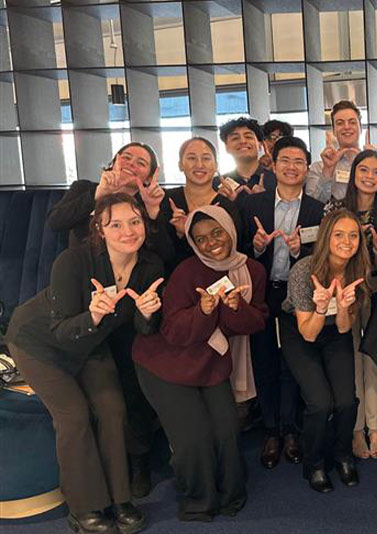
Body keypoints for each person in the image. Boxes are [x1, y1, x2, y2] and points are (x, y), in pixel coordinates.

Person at [6, 193, 164, 534]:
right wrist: (92, 316)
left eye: (134, 222)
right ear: (100, 229)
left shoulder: (150, 266)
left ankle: (119, 498)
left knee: (112, 408)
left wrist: (148, 315)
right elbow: (60, 329)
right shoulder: (73, 261)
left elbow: (141, 327)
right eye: (116, 225)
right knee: (74, 415)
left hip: (91, 346)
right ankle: (84, 507)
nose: (127, 231)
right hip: (40, 343)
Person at [46, 142, 171, 497]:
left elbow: (162, 259)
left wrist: (151, 212)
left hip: (131, 305)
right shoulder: (86, 190)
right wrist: (98, 197)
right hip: (83, 301)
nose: (132, 164)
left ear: (151, 173)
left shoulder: (152, 205)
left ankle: (139, 461)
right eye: (126, 157)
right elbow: (55, 223)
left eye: (141, 162)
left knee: (131, 384)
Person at [133, 206, 267, 521]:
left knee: (227, 431)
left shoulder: (253, 271)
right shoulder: (187, 271)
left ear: (230, 230)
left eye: (217, 232)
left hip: (211, 363)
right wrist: (204, 312)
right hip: (166, 363)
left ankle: (231, 494)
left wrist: (234, 307)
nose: (211, 243)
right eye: (201, 239)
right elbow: (172, 331)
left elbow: (255, 322)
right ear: (193, 243)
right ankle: (199, 501)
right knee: (193, 438)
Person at [238, 136, 324, 470]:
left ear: (307, 168)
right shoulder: (251, 207)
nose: (291, 167)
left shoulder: (317, 209)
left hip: (296, 294)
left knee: (293, 363)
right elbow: (235, 254)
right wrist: (258, 248)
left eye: (299, 162)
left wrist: (295, 252)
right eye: (285, 160)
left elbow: (319, 258)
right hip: (262, 293)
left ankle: (291, 429)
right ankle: (271, 430)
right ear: (273, 164)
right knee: (264, 360)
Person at [280, 208, 371, 493]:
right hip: (301, 332)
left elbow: (345, 329)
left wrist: (342, 308)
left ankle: (342, 454)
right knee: (320, 403)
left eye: (353, 235)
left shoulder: (358, 270)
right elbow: (307, 332)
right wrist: (321, 307)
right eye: (339, 235)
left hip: (335, 332)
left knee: (346, 401)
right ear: (326, 237)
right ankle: (314, 463)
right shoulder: (303, 271)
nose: (347, 241)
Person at [325, 149, 377, 459]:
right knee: (350, 360)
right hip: (342, 293)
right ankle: (356, 429)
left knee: (373, 359)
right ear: (353, 173)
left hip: (376, 295)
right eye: (364, 171)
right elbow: (325, 250)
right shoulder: (335, 208)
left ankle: (375, 428)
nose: (369, 177)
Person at [162, 137, 243, 267]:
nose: (199, 165)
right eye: (192, 158)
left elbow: (233, 252)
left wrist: (189, 234)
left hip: (217, 282)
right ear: (180, 165)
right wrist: (180, 234)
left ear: (216, 165)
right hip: (174, 280)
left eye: (206, 158)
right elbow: (159, 253)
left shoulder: (226, 207)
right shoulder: (166, 199)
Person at [305, 100, 377, 203]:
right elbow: (313, 206)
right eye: (340, 123)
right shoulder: (319, 168)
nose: (346, 127)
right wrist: (328, 171)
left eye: (352, 122)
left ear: (360, 127)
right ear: (334, 130)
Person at [216, 117, 277, 200]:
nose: (242, 141)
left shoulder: (277, 180)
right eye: (235, 138)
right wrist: (223, 201)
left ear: (260, 145)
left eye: (248, 137)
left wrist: (265, 200)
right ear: (226, 147)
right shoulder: (218, 184)